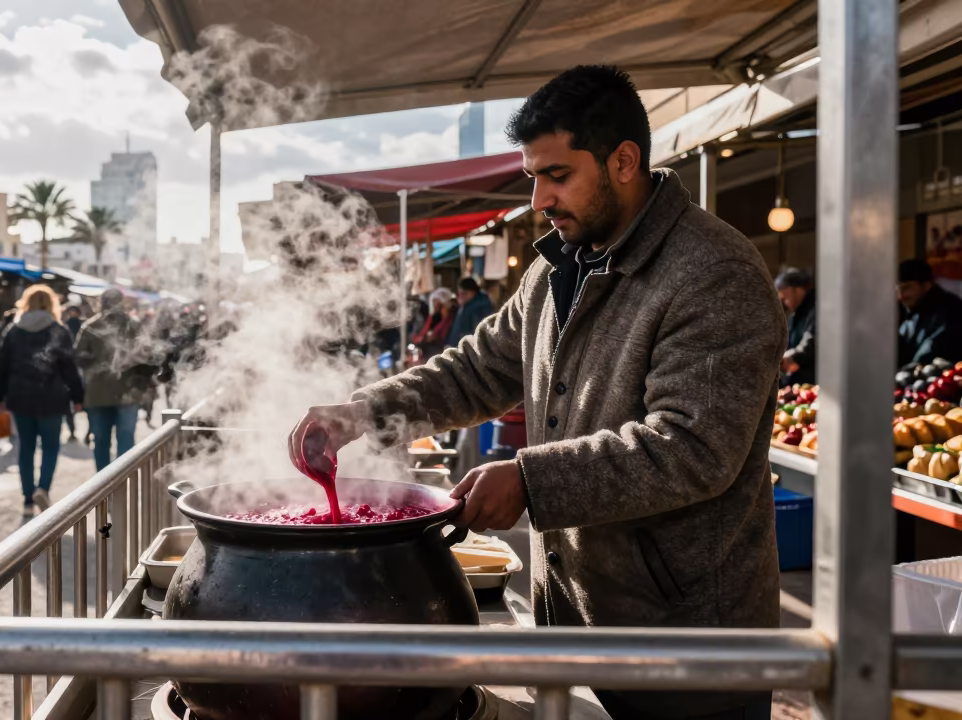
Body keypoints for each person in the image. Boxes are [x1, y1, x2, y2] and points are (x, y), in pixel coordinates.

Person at [290, 66, 784, 720]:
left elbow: (691, 448)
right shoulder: (554, 273)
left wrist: (529, 481)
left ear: (624, 161)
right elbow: (475, 371)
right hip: (580, 617)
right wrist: (364, 412)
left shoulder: (714, 274)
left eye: (558, 175)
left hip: (685, 636)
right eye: (533, 178)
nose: (540, 200)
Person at [0, 285, 84, 516]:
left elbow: (0, 366)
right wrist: (78, 397)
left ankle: (28, 500)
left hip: (20, 398)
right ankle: (43, 489)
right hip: (52, 398)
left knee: (26, 448)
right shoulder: (58, 331)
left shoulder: (14, 330)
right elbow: (70, 369)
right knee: (51, 447)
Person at [76, 289, 151, 470]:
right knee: (125, 442)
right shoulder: (133, 325)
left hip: (98, 393)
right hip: (128, 393)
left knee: (101, 442)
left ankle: (103, 486)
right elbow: (147, 356)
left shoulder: (90, 326)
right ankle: (122, 481)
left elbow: (79, 357)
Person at [898, 258, 962, 368]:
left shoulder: (950, 311)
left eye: (907, 287)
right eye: (897, 290)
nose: (901, 296)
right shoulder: (911, 312)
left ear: (926, 285)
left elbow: (931, 352)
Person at [776, 267, 816, 386]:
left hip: (812, 379)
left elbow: (811, 341)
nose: (785, 302)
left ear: (797, 289)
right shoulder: (795, 315)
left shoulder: (817, 308)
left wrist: (792, 358)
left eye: (785, 297)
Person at [445, 276, 494, 347]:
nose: (461, 296)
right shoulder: (467, 304)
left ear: (473, 291)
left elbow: (477, 333)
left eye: (464, 293)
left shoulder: (480, 306)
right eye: (459, 294)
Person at [412, 287, 457, 358]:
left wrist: (433, 336)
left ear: (442, 303)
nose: (433, 304)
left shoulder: (450, 316)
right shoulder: (436, 315)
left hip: (441, 348)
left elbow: (443, 332)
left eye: (435, 301)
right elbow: (426, 329)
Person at [63, 305, 85, 443]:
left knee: (69, 401)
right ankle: (73, 430)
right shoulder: (83, 325)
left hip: (70, 366)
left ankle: (73, 430)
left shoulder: (63, 327)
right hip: (75, 366)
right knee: (75, 399)